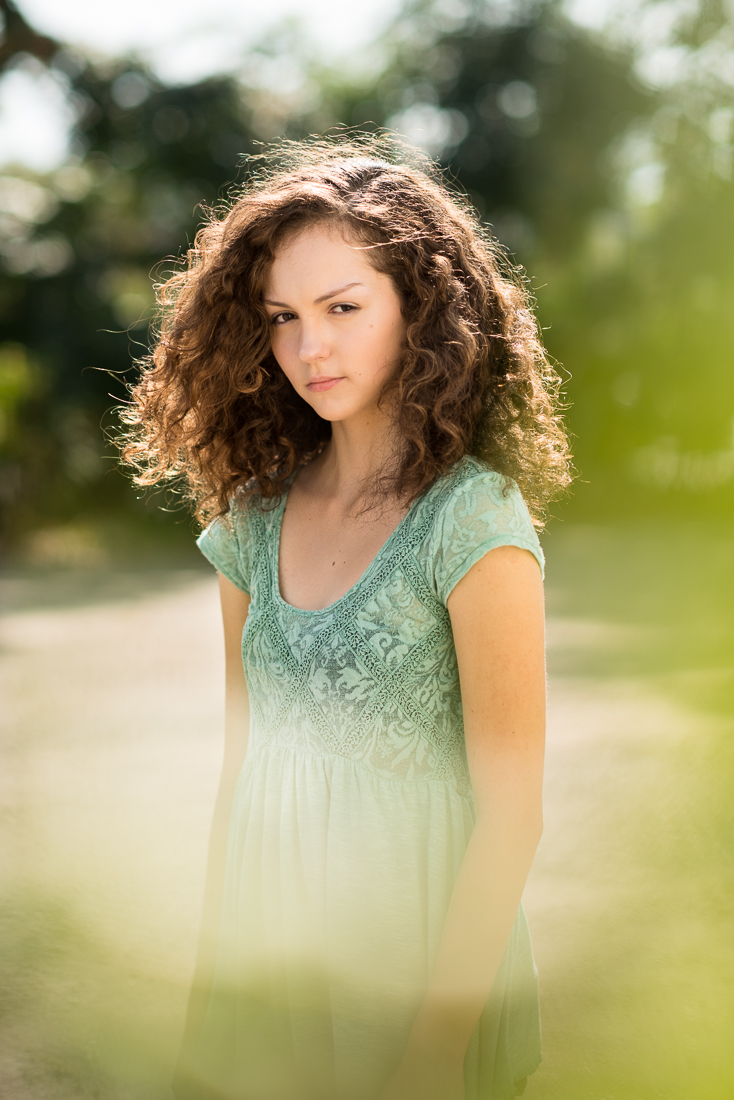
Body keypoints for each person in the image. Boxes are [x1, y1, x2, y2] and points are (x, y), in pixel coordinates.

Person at [121, 135, 571, 1100]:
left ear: (422, 309)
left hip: (414, 968)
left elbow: (512, 816)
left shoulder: (473, 520)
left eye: (342, 308)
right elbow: (242, 765)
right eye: (282, 317)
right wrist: (216, 987)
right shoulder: (251, 515)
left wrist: (434, 1053)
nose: (308, 348)